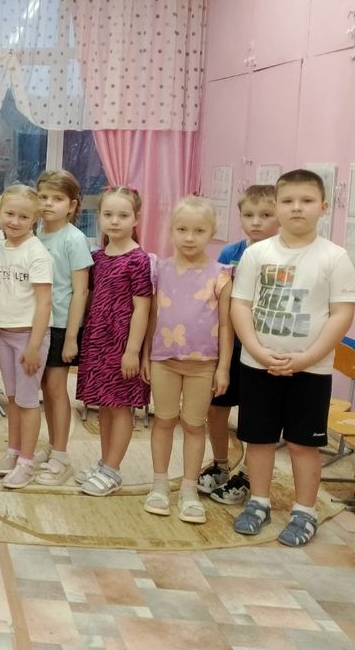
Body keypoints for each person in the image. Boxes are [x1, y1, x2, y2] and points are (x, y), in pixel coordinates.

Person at [230, 169, 355, 546]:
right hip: (258, 366)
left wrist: (307, 358)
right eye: (287, 201)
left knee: (303, 444)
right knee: (259, 440)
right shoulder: (257, 254)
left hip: (311, 370)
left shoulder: (335, 257)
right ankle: (258, 502)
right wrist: (256, 350)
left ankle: (305, 511)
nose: (296, 207)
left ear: (324, 207)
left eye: (306, 200)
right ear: (277, 206)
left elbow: (341, 313)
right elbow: (240, 305)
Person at [141, 197, 233, 524]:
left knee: (194, 425)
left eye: (199, 231)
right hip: (163, 360)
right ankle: (159, 485)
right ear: (172, 230)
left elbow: (226, 326)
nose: (189, 237)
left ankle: (190, 490)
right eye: (182, 230)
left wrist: (223, 367)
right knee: (164, 421)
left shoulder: (221, 275)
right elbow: (152, 315)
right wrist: (145, 355)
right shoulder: (159, 270)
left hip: (203, 365)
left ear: (212, 232)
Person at [198, 184, 277, 505]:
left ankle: (246, 475)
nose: (256, 222)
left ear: (279, 217)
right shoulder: (229, 253)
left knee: (255, 416)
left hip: (263, 347)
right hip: (229, 346)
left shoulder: (280, 256)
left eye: (265, 215)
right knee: (216, 409)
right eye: (249, 215)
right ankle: (220, 464)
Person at [75, 186, 153, 497]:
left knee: (121, 407)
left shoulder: (139, 260)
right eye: (108, 214)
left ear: (136, 219)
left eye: (123, 215)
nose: (115, 221)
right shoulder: (98, 257)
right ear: (99, 217)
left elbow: (143, 308)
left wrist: (132, 351)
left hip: (123, 343)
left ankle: (113, 469)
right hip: (98, 339)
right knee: (104, 405)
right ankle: (105, 461)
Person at [0, 185, 53, 489]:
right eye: (10, 214)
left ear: (34, 219)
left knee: (28, 403)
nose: (15, 221)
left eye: (24, 217)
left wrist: (34, 346)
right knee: (13, 399)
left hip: (29, 337)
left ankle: (27, 462)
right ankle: (13, 451)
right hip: (4, 335)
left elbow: (44, 303)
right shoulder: (1, 250)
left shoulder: (37, 253)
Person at [34, 170, 93, 485]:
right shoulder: (36, 235)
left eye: (56, 199)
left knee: (57, 389)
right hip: (37, 324)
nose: (48, 203)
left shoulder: (74, 239)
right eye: (43, 197)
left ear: (71, 205)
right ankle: (52, 445)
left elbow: (80, 291)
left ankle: (61, 455)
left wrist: (72, 337)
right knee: (45, 389)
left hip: (60, 326)